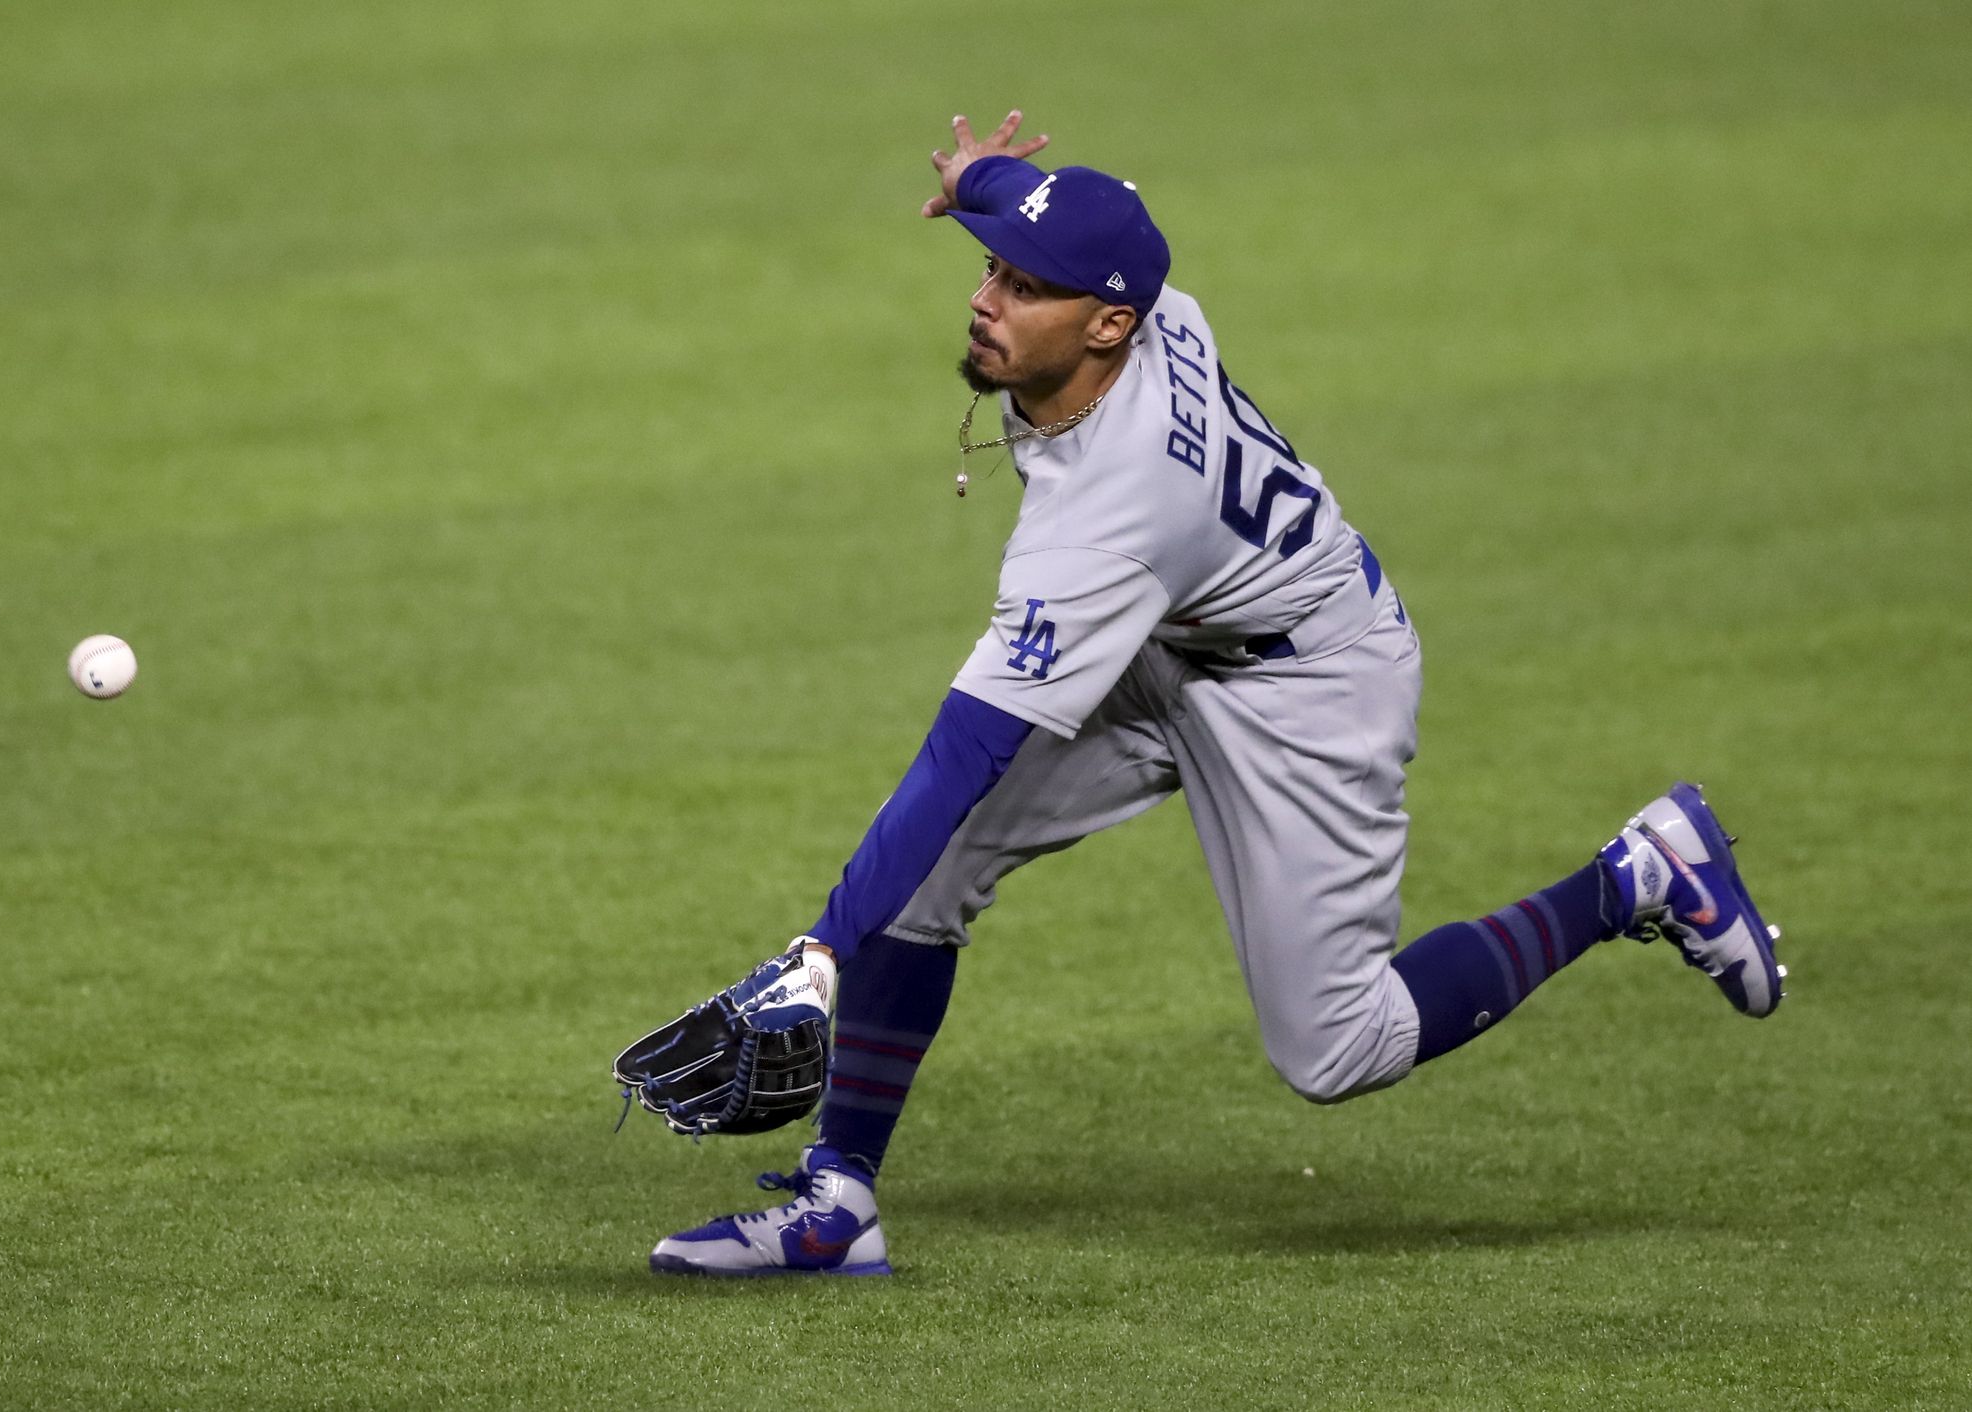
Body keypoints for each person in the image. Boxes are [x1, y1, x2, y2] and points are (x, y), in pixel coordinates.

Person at [640, 113, 1788, 1279]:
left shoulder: (1111, 518)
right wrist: (986, 182)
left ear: (1107, 325)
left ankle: (1637, 874)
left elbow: (961, 754)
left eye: (1025, 286)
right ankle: (837, 1208)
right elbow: (1079, 222)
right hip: (1177, 633)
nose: (988, 301)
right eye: (990, 268)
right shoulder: (1146, 309)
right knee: (919, 877)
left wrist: (819, 952)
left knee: (1339, 1047)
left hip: (1310, 681)